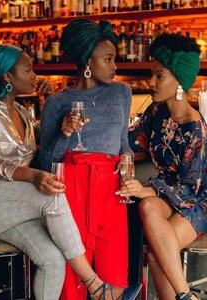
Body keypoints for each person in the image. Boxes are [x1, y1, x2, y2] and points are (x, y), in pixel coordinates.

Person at [0, 44, 140, 300]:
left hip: (4, 209)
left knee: (52, 258)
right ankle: (97, 287)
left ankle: (99, 290)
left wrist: (56, 114)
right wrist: (34, 176)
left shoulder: (24, 114)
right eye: (28, 69)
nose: (35, 75)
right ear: (7, 76)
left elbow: (45, 147)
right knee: (50, 195)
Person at [39, 19, 141, 300]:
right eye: (108, 59)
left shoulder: (122, 93)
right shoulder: (57, 103)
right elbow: (45, 163)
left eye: (114, 59)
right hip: (72, 191)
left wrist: (127, 161)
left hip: (111, 190)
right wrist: (64, 133)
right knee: (71, 282)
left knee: (114, 276)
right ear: (87, 60)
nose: (114, 66)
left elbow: (123, 143)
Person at [121, 33, 207, 300]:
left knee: (156, 256)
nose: (151, 82)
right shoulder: (156, 113)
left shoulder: (194, 126)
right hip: (169, 195)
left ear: (179, 81)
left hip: (199, 201)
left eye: (159, 76)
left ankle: (184, 295)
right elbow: (129, 140)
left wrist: (150, 189)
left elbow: (191, 185)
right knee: (146, 205)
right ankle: (187, 296)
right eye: (152, 75)